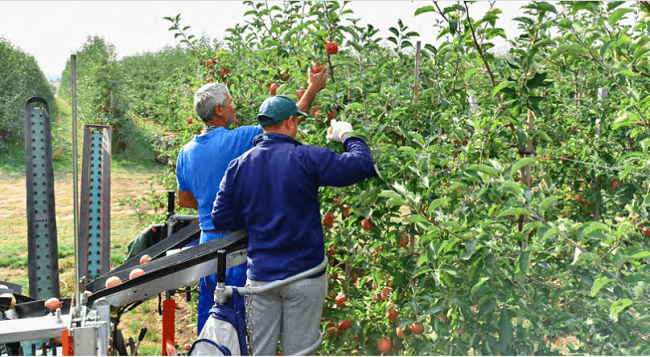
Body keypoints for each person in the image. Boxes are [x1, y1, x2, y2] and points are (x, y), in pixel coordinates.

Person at [210, 94, 378, 355]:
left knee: (259, 351)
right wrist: (347, 136)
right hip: (304, 276)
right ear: (289, 122)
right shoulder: (306, 157)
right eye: (297, 122)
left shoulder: (238, 166)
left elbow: (220, 218)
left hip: (261, 278)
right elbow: (362, 165)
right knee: (299, 352)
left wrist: (257, 216)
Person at [176, 66, 327, 336]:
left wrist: (209, 198)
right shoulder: (240, 138)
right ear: (220, 110)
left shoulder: (186, 152)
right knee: (241, 323)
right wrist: (313, 89)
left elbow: (185, 199)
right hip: (236, 245)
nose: (235, 107)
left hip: (206, 245)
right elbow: (283, 124)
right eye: (231, 103)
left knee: (211, 321)